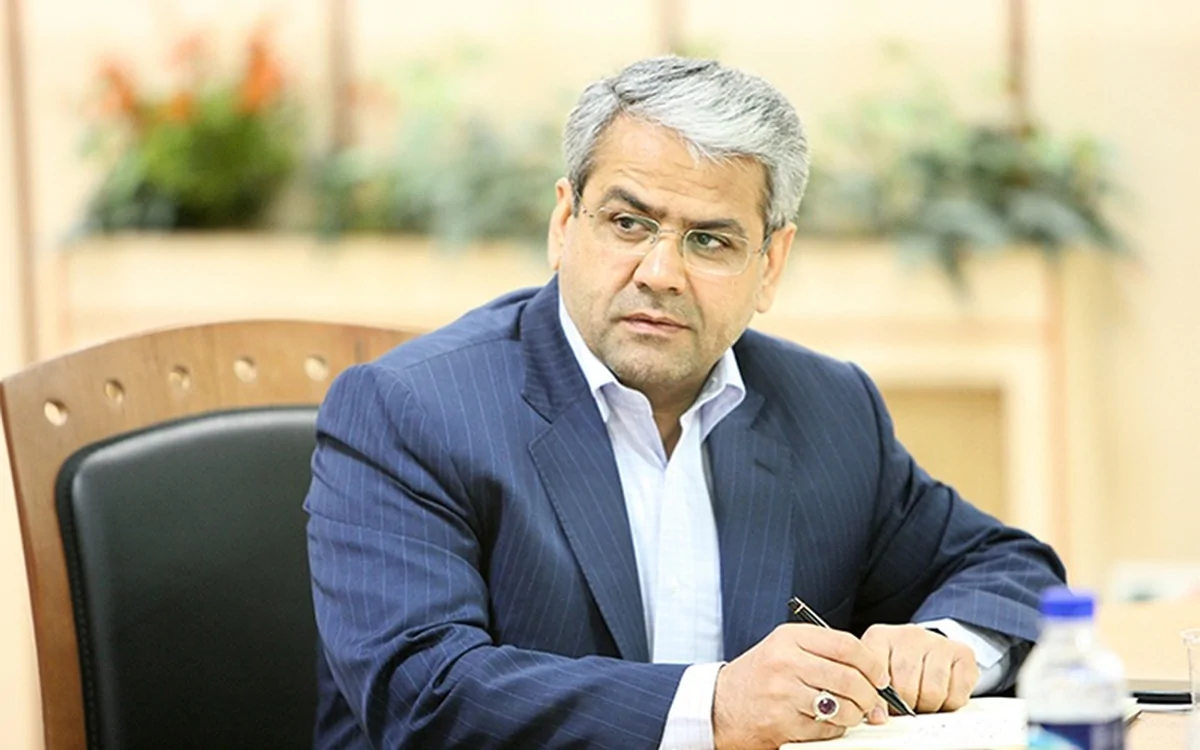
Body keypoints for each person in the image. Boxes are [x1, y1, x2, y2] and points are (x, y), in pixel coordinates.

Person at [304, 56, 1066, 749]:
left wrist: (944, 645)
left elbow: (1011, 570)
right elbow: (423, 692)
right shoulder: (411, 409)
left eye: (710, 241)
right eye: (628, 224)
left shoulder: (828, 408)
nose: (660, 272)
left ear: (771, 264)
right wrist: (717, 706)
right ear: (564, 224)